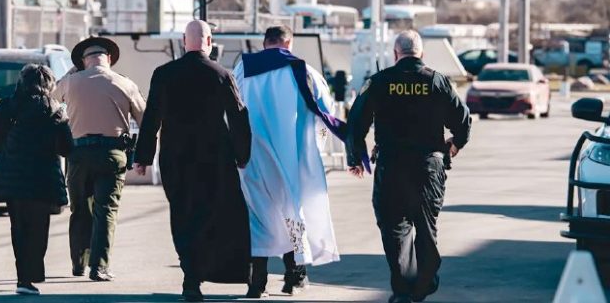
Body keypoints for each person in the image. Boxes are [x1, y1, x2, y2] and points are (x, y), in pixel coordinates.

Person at [345, 30, 472, 303]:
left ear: (395, 54)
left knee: (395, 229)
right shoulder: (437, 81)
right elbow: (462, 119)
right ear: (421, 53)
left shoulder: (379, 82)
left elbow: (356, 122)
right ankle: (423, 284)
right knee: (426, 228)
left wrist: (355, 158)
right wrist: (456, 144)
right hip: (429, 168)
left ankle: (403, 290)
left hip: (392, 166)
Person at [134, 20, 253, 302]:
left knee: (183, 214)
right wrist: (242, 155)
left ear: (184, 41)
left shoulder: (164, 74)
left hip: (175, 157)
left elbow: (151, 118)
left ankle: (191, 277)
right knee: (216, 214)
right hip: (215, 158)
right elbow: (238, 117)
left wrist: (143, 157)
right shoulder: (221, 74)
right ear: (209, 42)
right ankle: (227, 271)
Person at [233, 25, 344, 298]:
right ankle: (294, 275)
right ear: (289, 43)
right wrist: (314, 148)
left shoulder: (242, 70)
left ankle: (257, 283)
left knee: (258, 217)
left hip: (254, 156)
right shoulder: (305, 71)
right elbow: (325, 115)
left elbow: (232, 109)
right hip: (292, 157)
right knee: (292, 213)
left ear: (264, 43)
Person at [53, 36, 146, 282]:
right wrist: (144, 157)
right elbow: (146, 122)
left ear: (83, 61)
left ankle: (78, 263)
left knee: (79, 209)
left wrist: (72, 73)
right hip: (112, 154)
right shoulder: (125, 83)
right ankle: (99, 266)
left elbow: (52, 97)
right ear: (110, 59)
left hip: (78, 154)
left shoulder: (70, 82)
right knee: (106, 210)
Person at [0, 64, 72, 295]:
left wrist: (9, 148)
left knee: (19, 228)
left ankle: (23, 279)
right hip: (43, 179)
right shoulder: (54, 110)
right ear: (49, 85)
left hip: (12, 177)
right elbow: (66, 147)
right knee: (38, 229)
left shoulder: (6, 106)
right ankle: (31, 275)